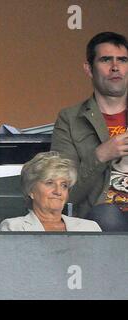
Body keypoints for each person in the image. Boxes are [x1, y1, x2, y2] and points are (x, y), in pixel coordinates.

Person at [51, 31, 128, 218]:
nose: (115, 67)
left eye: (123, 60)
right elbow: (63, 195)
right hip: (102, 217)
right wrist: (100, 155)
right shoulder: (69, 119)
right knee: (107, 216)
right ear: (88, 69)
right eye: (106, 60)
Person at [0, 151, 101, 231]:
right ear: (31, 190)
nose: (58, 191)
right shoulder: (14, 228)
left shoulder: (90, 228)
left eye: (64, 185)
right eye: (49, 183)